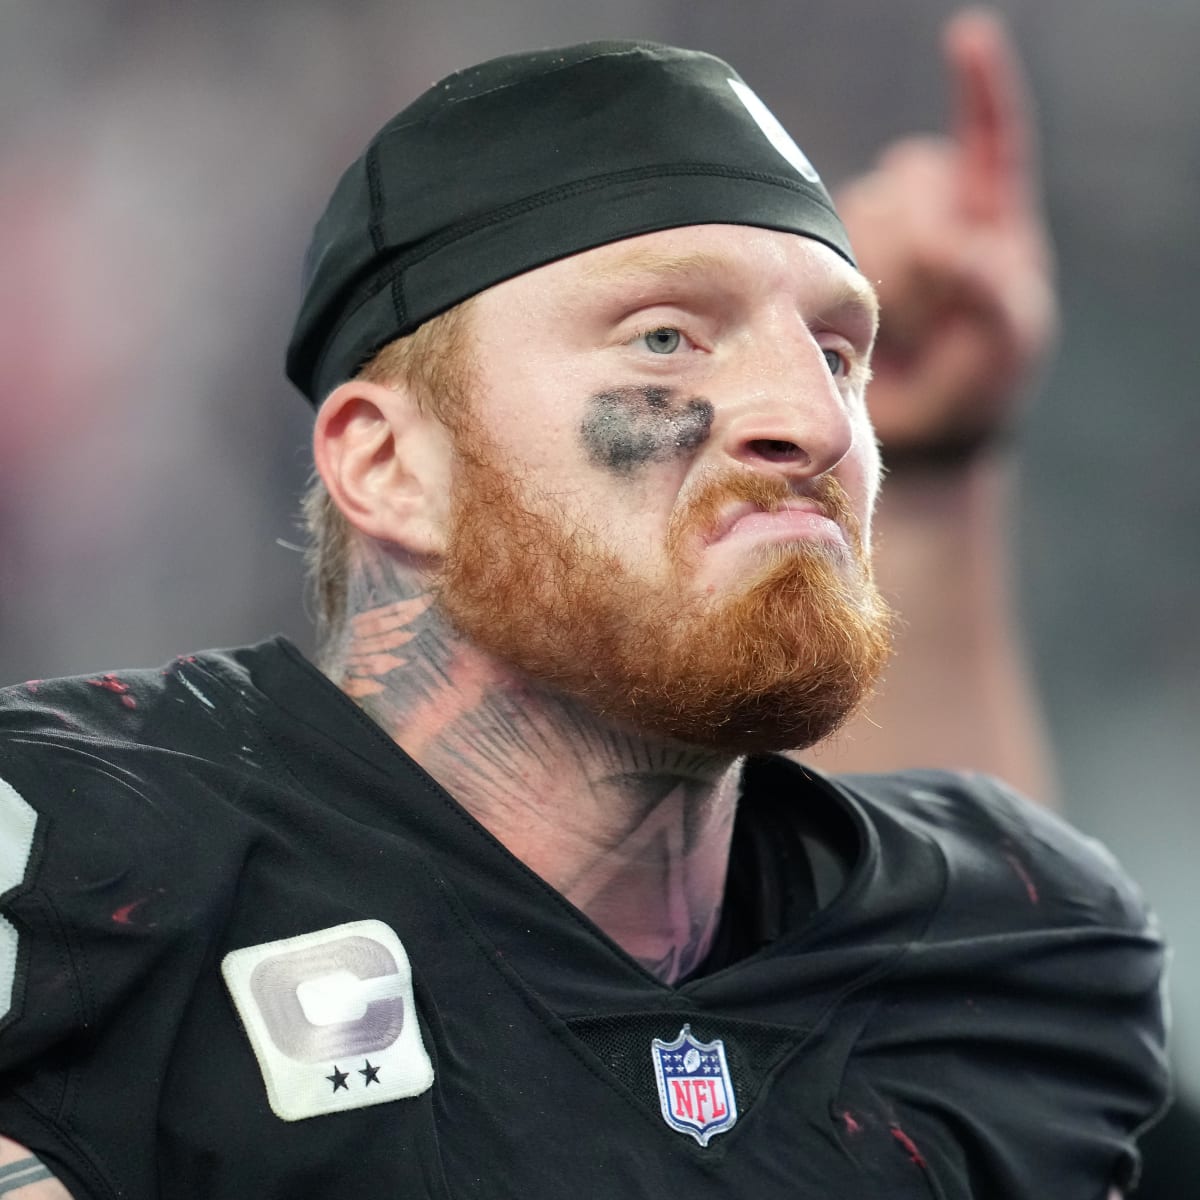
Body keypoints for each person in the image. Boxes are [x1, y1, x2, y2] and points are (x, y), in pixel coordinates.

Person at [0, 24, 1167, 1200]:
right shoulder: (66, 870)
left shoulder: (1021, 952)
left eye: (836, 353)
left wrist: (945, 460)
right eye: (666, 337)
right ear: (392, 465)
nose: (812, 420)